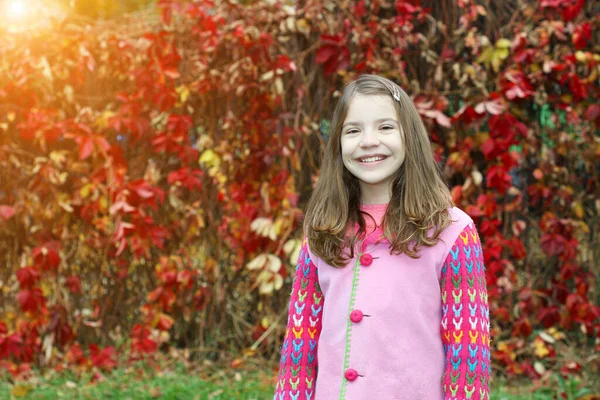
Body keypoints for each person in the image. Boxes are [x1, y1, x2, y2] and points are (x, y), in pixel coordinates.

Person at [273, 74, 491, 400]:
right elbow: (300, 343)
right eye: (353, 130)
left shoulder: (452, 231)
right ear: (338, 145)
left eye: (385, 127)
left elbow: (467, 350)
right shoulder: (322, 229)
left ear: (410, 137)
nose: (369, 140)